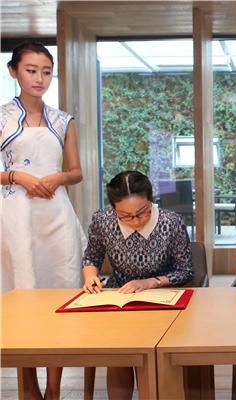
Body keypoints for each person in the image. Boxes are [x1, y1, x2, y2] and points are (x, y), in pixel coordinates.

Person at [0, 40, 86, 400]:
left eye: (47, 72)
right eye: (31, 70)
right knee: (21, 295)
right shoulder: (2, 117)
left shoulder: (62, 120)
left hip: (56, 213)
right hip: (16, 216)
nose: (40, 78)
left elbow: (77, 171)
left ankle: (54, 388)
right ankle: (29, 388)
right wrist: (16, 176)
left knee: (61, 292)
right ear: (14, 71)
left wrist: (59, 177)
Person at [82, 170, 193, 399]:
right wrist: (90, 275)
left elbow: (185, 271)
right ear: (114, 209)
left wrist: (150, 282)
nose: (135, 221)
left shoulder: (170, 221)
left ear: (151, 200)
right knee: (119, 353)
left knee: (155, 354)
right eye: (125, 215)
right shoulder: (102, 221)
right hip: (119, 297)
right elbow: (91, 258)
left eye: (142, 212)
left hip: (163, 297)